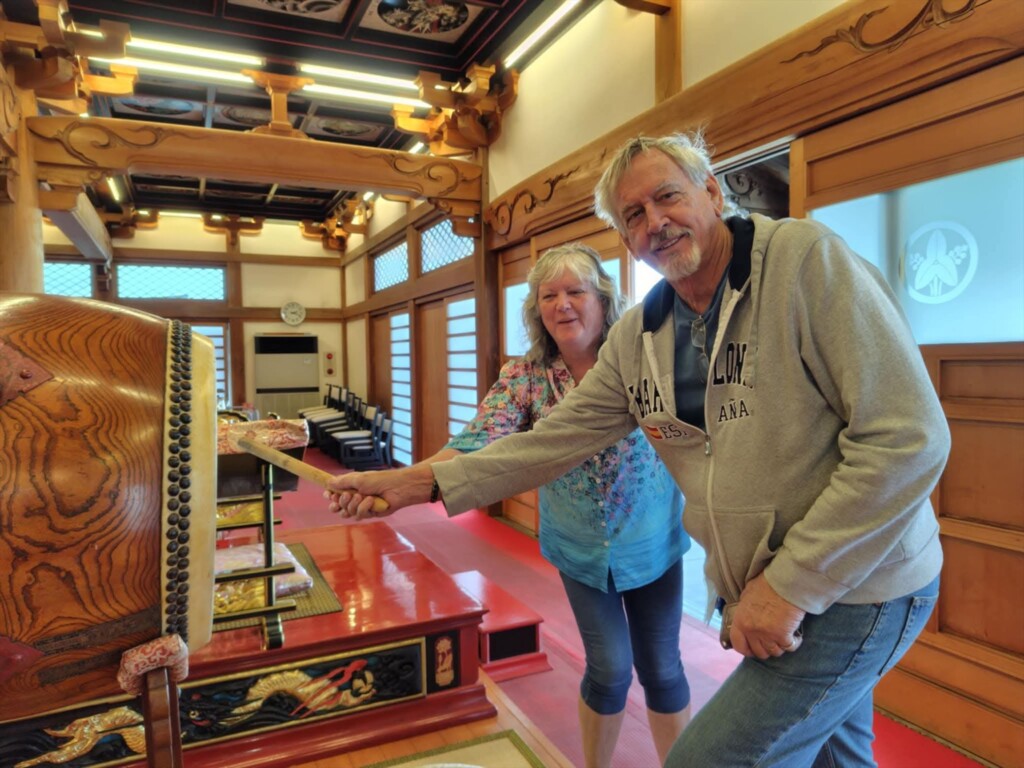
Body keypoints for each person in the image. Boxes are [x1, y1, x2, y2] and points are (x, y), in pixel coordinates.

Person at [328, 132, 950, 767]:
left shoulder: (802, 262)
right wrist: (416, 483)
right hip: (727, 577)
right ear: (624, 239)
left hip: (862, 583)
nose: (655, 222)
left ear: (711, 190)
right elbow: (552, 442)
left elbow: (908, 438)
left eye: (668, 196)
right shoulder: (642, 335)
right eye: (632, 215)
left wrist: (790, 586)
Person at [342, 243, 692, 767]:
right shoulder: (525, 376)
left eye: (576, 291)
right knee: (610, 668)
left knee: (663, 667)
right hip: (578, 547)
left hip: (653, 538)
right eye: (549, 295)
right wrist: (404, 482)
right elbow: (477, 441)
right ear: (536, 310)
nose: (563, 304)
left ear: (603, 299)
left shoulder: (643, 359)